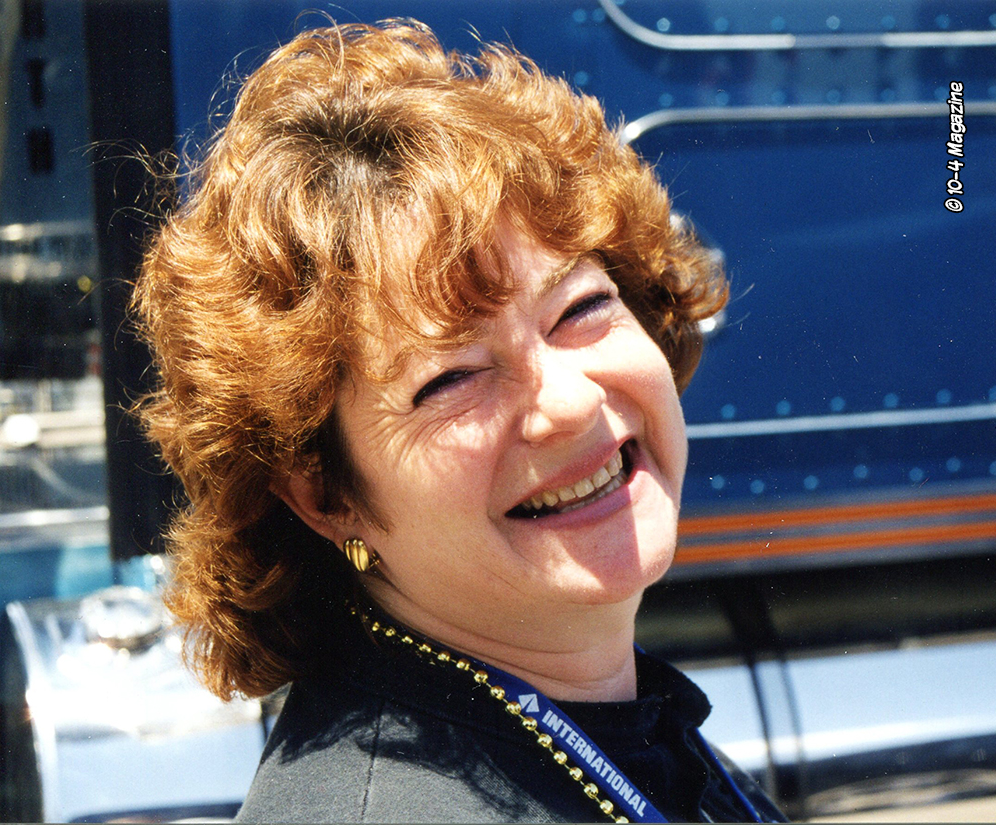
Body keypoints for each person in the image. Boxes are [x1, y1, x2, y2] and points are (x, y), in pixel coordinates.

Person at [133, 19, 785, 824]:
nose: (571, 401)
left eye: (581, 308)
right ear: (325, 494)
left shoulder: (610, 721)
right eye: (452, 378)